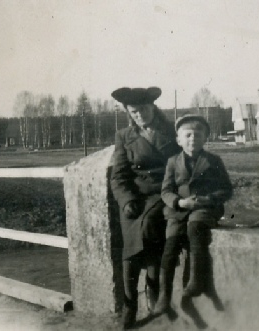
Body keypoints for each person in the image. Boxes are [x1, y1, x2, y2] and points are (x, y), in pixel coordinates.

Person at [110, 86, 181, 329]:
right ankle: (130, 305)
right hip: (135, 199)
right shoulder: (124, 136)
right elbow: (119, 176)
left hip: (164, 193)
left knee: (149, 225)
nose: (139, 115)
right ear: (129, 112)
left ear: (153, 108)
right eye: (134, 111)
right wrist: (127, 200)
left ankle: (153, 291)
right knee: (131, 240)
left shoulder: (172, 132)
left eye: (143, 109)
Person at [153, 114, 233, 315]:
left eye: (198, 135)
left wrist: (205, 200)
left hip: (204, 208)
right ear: (179, 140)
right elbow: (166, 190)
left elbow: (226, 189)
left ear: (205, 138)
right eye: (187, 135)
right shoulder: (173, 162)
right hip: (179, 209)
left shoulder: (213, 161)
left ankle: (196, 281)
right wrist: (178, 202)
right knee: (171, 244)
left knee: (195, 227)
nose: (192, 139)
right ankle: (164, 296)